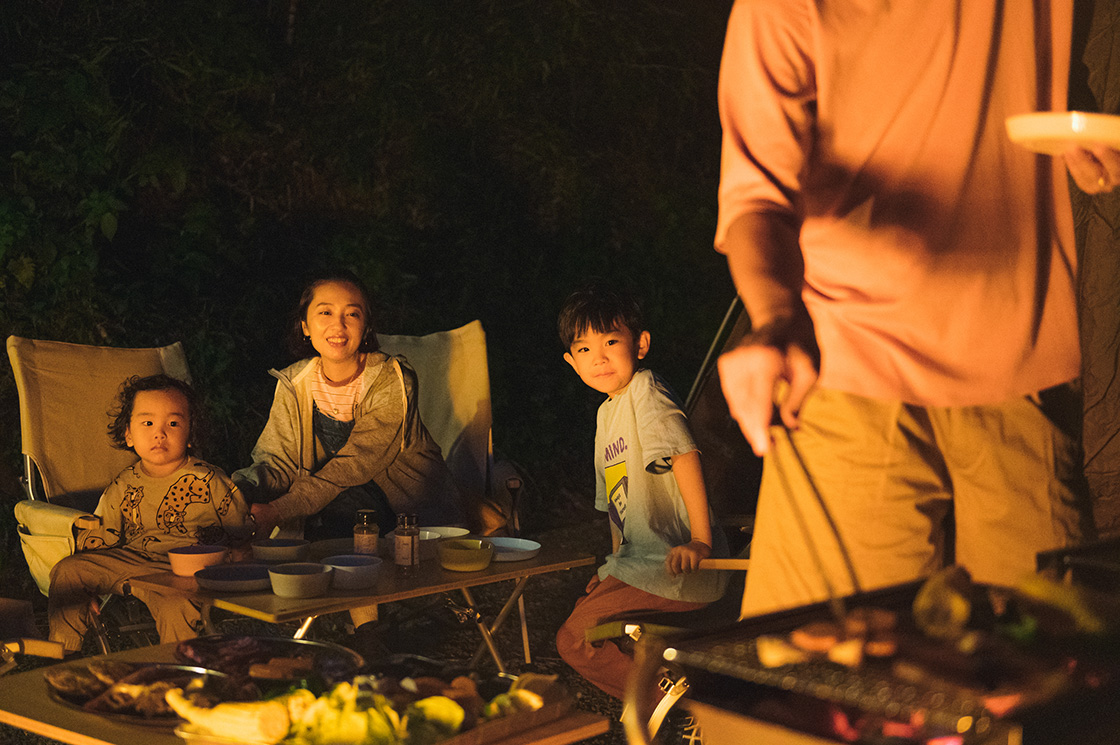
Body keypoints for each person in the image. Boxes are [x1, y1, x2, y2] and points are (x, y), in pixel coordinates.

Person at [713, 0, 1118, 619]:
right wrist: (774, 313)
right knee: (821, 662)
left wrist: (1081, 120)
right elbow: (757, 196)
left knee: (1046, 660)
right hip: (850, 362)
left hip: (1018, 360)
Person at [554, 283, 728, 712]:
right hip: (643, 565)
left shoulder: (645, 390)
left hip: (680, 567)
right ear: (571, 362)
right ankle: (673, 691)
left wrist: (701, 541)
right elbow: (616, 507)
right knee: (585, 616)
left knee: (574, 637)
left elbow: (684, 455)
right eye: (584, 349)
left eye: (611, 342)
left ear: (641, 344)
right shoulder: (606, 414)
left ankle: (679, 704)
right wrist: (613, 566)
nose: (599, 358)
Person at [233, 272, 463, 543]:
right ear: (305, 326)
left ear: (366, 327)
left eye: (352, 314)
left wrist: (278, 510)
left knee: (342, 517)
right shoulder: (294, 383)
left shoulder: (392, 379)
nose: (338, 325)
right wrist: (234, 493)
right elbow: (278, 462)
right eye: (325, 312)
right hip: (327, 504)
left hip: (405, 515)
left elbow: (355, 464)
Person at [48, 374, 250, 653]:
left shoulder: (210, 479)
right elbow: (103, 535)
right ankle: (61, 651)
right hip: (134, 562)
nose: (160, 433)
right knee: (69, 570)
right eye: (148, 423)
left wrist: (236, 558)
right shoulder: (123, 483)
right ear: (128, 434)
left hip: (187, 575)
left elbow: (242, 532)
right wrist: (86, 585)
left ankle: (179, 667)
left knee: (176, 608)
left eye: (173, 423)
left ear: (191, 434)